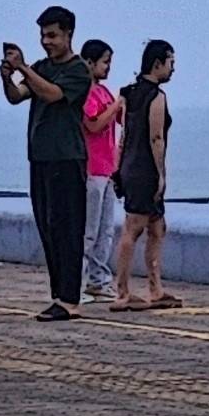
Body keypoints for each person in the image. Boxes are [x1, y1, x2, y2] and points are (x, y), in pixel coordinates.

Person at [0, 8, 96, 320]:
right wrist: (8, 78)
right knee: (48, 228)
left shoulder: (79, 70)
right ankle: (59, 294)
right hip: (40, 158)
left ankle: (70, 298)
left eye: (52, 35)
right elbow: (18, 96)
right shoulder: (41, 67)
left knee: (67, 229)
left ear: (69, 35)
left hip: (67, 158)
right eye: (43, 35)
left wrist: (24, 67)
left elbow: (53, 94)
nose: (46, 41)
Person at [111, 40, 180, 310]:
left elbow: (125, 134)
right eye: (171, 62)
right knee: (133, 228)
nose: (173, 69)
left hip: (130, 165)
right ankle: (122, 292)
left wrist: (119, 167)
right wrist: (161, 174)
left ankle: (155, 288)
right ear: (158, 63)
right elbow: (156, 138)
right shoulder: (156, 96)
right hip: (144, 169)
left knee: (157, 227)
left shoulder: (128, 93)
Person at [77, 37, 124, 303]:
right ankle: (78, 280)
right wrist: (115, 106)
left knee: (106, 230)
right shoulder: (86, 93)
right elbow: (93, 125)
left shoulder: (105, 93)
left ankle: (98, 280)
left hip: (107, 170)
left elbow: (118, 119)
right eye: (105, 62)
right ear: (90, 62)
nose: (108, 68)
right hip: (91, 170)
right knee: (89, 230)